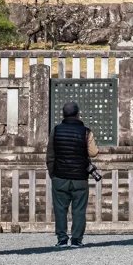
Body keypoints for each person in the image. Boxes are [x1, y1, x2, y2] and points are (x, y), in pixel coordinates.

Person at [46, 101, 99, 248]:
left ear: (63, 114)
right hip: (80, 177)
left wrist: (53, 173)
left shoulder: (56, 130)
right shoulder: (86, 132)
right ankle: (76, 239)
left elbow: (50, 154)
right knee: (79, 210)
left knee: (60, 209)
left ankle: (62, 239)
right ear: (77, 114)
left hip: (60, 176)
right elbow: (93, 152)